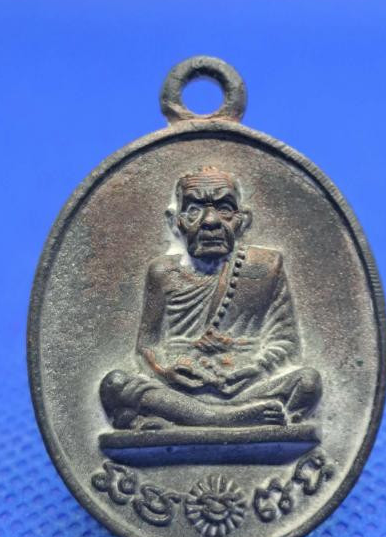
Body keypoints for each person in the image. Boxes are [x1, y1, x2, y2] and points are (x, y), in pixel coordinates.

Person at [100, 166, 322, 430]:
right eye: (194, 210)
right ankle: (221, 419)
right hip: (180, 390)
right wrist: (165, 370)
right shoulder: (163, 272)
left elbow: (285, 343)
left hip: (245, 387)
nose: (210, 221)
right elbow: (147, 346)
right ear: (175, 221)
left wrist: (256, 368)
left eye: (224, 209)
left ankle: (191, 420)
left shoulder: (264, 266)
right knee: (115, 384)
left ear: (243, 220)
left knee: (308, 382)